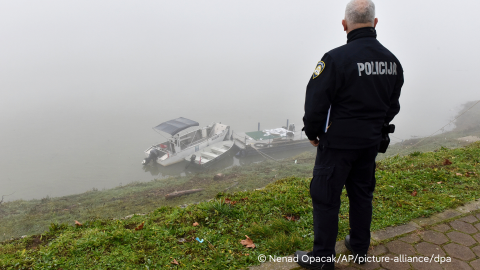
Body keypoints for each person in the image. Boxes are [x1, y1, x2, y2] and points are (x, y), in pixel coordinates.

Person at [295, 0, 403, 269]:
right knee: (362, 195)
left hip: (338, 145)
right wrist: (374, 126)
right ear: (375, 23)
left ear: (344, 25)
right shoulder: (392, 62)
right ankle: (359, 247)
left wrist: (313, 132)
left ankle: (322, 259)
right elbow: (392, 105)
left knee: (326, 198)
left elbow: (316, 102)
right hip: (369, 143)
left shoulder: (334, 59)